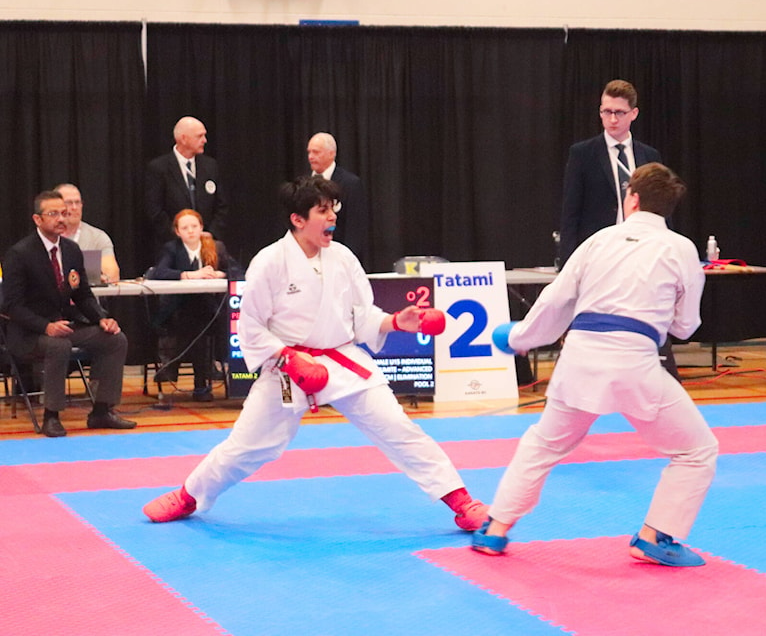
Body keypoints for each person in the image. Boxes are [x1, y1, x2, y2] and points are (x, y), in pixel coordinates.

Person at [142, 176, 488, 532]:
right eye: (322, 211)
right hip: (287, 366)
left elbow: (363, 315)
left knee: (398, 428)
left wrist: (398, 321)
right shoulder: (270, 262)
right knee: (247, 447)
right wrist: (288, 358)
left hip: (341, 360)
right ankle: (188, 496)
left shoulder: (342, 257)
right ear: (298, 219)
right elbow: (251, 327)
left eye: (333, 209)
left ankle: (461, 501)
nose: (332, 217)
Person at [473, 163, 718, 567]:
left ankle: (496, 529)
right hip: (635, 363)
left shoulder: (598, 240)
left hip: (581, 358)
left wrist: (519, 339)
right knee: (697, 450)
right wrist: (662, 316)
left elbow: (556, 301)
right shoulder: (681, 249)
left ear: (633, 198)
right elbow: (688, 326)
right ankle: (654, 536)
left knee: (542, 444)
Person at [558, 79, 679, 379]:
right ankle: (579, 375)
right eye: (606, 112)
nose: (612, 119)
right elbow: (570, 212)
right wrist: (568, 262)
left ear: (633, 114)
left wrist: (671, 249)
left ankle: (655, 370)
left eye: (619, 113)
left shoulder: (649, 155)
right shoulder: (583, 154)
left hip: (643, 252)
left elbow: (663, 208)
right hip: (600, 252)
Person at [1, 190, 137, 437]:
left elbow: (82, 294)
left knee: (115, 339)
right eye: (53, 214)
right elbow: (10, 306)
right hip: (29, 334)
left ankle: (102, 410)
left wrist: (101, 318)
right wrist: (46, 326)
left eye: (64, 213)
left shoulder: (72, 250)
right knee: (58, 345)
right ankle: (51, 415)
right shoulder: (19, 254)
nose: (61, 218)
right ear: (37, 219)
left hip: (64, 327)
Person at [148, 209, 240, 402]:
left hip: (212, 312)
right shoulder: (172, 249)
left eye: (194, 226)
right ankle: (201, 383)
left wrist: (220, 274)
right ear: (177, 232)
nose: (190, 231)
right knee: (196, 316)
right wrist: (189, 275)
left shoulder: (215, 246)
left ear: (201, 228)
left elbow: (238, 271)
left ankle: (196, 376)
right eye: (185, 228)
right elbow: (159, 272)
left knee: (206, 316)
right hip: (177, 311)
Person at [146, 116, 229, 253]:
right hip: (172, 248)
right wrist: (182, 237)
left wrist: (210, 235)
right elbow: (155, 210)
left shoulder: (210, 166)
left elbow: (221, 206)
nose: (205, 140)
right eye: (200, 136)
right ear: (183, 139)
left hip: (206, 246)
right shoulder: (159, 168)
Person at [307, 132, 370, 267]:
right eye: (309, 152)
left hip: (338, 261)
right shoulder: (303, 184)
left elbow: (355, 228)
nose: (311, 157)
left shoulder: (350, 184)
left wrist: (345, 261)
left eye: (316, 152)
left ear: (331, 153)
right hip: (309, 259)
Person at [55, 183, 120, 283]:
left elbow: (113, 275)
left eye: (77, 202)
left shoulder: (97, 237)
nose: (74, 207)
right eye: (68, 203)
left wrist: (104, 278)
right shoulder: (48, 236)